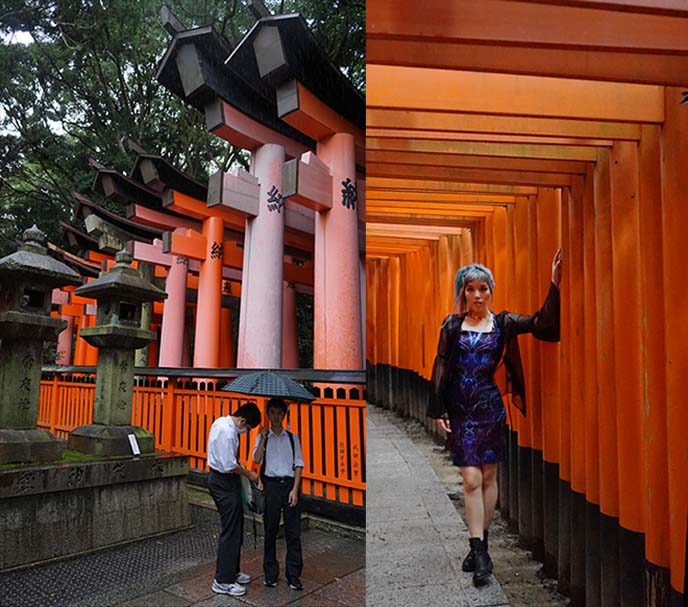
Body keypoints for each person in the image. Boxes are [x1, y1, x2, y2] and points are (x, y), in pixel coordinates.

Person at [427, 250, 562, 586]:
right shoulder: (452, 325)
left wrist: (555, 285)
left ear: (490, 291)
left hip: (489, 408)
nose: (477, 295)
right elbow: (441, 365)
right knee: (471, 479)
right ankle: (480, 549)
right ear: (462, 292)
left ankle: (480, 546)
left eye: (483, 288)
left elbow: (541, 323)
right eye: (470, 289)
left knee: (489, 479)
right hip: (461, 410)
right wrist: (439, 408)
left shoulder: (503, 323)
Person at [207, 402, 262, 597]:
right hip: (222, 481)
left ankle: (233, 570)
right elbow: (229, 464)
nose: (246, 431)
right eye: (248, 428)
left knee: (236, 526)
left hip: (226, 481)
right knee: (230, 530)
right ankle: (222, 580)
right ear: (242, 421)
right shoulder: (227, 432)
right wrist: (250, 474)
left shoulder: (221, 422)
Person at [252, 397, 305, 590]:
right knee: (270, 530)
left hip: (290, 485)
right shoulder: (262, 437)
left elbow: (299, 464)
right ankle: (270, 573)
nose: (276, 416)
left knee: (293, 532)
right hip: (271, 486)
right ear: (268, 414)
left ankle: (293, 574)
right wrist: (263, 438)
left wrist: (295, 490)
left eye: (279, 413)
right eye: (272, 412)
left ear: (284, 415)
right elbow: (257, 460)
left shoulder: (292, 438)